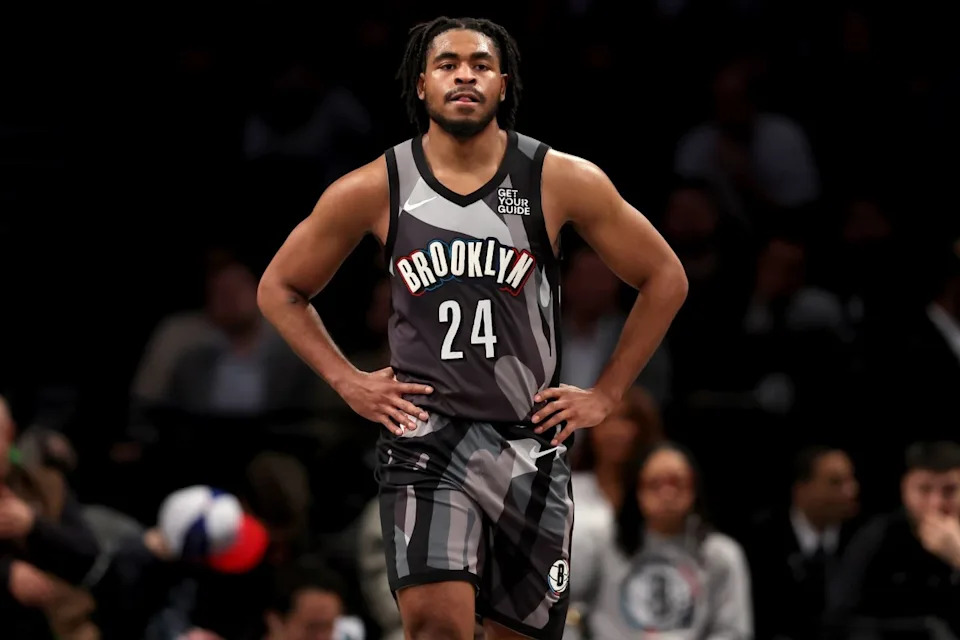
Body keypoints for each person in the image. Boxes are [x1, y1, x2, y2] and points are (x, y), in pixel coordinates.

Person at [257, 16, 688, 640]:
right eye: (448, 64)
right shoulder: (379, 185)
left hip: (528, 445)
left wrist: (608, 394)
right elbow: (279, 288)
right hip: (426, 443)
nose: (465, 74)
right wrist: (347, 381)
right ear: (422, 87)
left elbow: (665, 278)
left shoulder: (558, 178)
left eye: (481, 64)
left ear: (504, 84)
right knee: (436, 628)